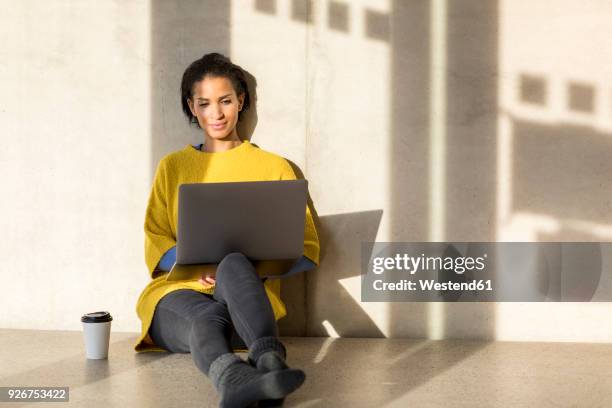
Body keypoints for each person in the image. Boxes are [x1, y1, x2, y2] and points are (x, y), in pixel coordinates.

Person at [133, 53, 320, 408]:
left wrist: (247, 272)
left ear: (241, 101)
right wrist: (196, 265)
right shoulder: (173, 166)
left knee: (234, 262)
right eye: (203, 104)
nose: (216, 114)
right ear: (192, 105)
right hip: (176, 294)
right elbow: (156, 234)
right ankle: (239, 378)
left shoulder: (274, 167)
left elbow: (306, 244)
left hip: (246, 306)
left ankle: (267, 361)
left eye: (225, 101)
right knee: (204, 316)